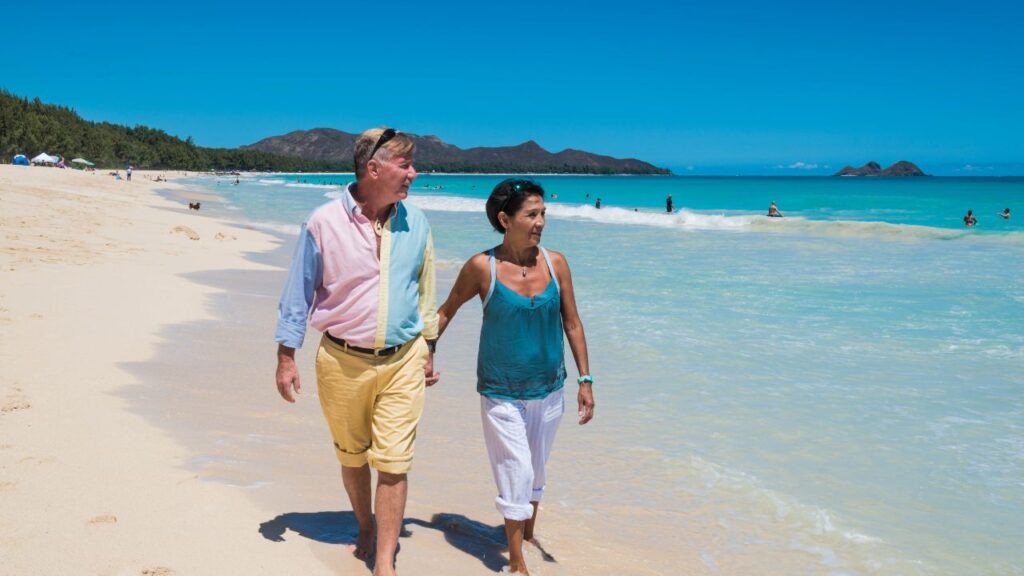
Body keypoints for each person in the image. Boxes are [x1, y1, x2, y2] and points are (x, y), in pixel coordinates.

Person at [274, 127, 439, 576]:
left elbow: (425, 294)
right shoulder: (322, 222)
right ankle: (365, 526)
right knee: (352, 455)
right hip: (341, 362)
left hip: (403, 359)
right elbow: (298, 293)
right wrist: (286, 357)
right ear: (373, 169)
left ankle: (385, 561)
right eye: (405, 165)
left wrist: (429, 349)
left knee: (394, 462)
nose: (414, 173)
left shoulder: (417, 222)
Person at [436, 179, 595, 575]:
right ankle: (517, 563)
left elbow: (572, 324)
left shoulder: (556, 264)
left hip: (550, 388)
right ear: (505, 219)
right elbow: (447, 310)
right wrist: (427, 349)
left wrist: (585, 380)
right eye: (532, 215)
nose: (541, 222)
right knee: (518, 470)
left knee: (537, 470)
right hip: (500, 390)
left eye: (543, 214)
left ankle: (525, 534)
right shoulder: (481, 267)